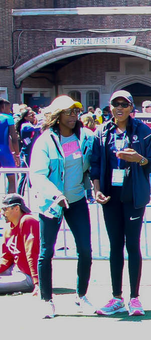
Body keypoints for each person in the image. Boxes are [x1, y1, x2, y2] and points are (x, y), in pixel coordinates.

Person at [88, 90, 151, 317]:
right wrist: (97, 190)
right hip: (110, 196)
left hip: (133, 195)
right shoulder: (101, 131)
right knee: (115, 246)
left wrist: (138, 159)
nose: (119, 108)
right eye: (115, 104)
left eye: (124, 104)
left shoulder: (143, 131)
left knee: (132, 245)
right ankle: (116, 297)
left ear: (131, 108)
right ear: (109, 107)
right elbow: (95, 164)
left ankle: (135, 298)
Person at [29, 96, 96, 319]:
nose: (73, 117)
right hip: (52, 203)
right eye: (68, 113)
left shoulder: (85, 137)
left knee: (85, 250)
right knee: (46, 252)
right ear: (57, 117)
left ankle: (81, 295)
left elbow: (90, 165)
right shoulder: (45, 141)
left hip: (76, 200)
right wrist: (55, 195)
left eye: (75, 112)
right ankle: (46, 300)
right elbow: (37, 175)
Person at [0, 194, 39, 295]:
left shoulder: (28, 221)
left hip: (28, 275)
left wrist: (37, 282)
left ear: (16, 208)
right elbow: (6, 258)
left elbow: (32, 253)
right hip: (16, 269)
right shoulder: (8, 227)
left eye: (5, 209)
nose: (3, 213)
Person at [0, 100, 18, 194]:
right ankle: (10, 203)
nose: (10, 111)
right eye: (8, 108)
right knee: (12, 178)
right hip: (4, 151)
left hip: (4, 148)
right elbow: (14, 137)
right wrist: (17, 154)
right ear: (3, 107)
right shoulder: (8, 118)